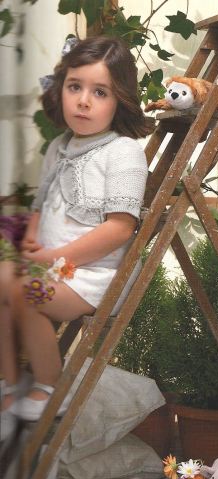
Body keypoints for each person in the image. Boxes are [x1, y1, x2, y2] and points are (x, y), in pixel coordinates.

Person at [0, 35, 153, 441]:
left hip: (93, 275)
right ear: (61, 90)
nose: (84, 101)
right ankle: (10, 385)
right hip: (53, 264)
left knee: (25, 292)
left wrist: (54, 258)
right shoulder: (59, 146)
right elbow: (43, 202)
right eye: (75, 87)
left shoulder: (123, 152)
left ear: (120, 100)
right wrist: (32, 242)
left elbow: (120, 228)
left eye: (100, 92)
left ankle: (51, 386)